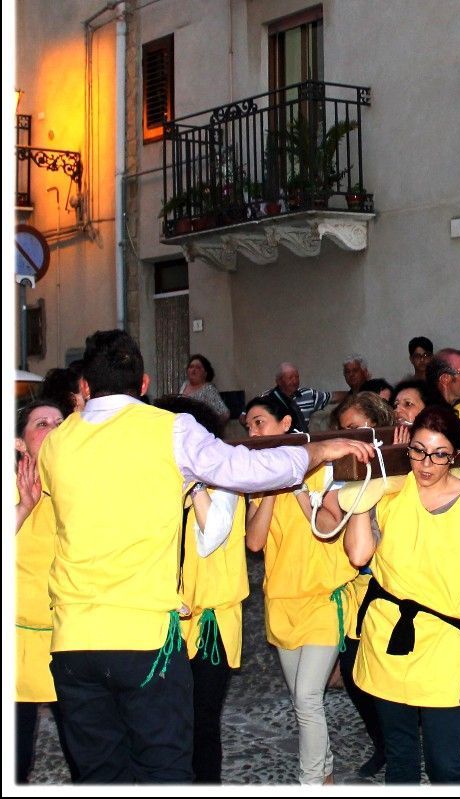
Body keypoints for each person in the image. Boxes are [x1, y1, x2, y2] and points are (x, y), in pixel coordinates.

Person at [38, 329, 374, 783]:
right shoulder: (168, 428)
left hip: (72, 641)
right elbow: (244, 469)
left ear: (84, 387)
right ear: (144, 384)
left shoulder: (58, 441)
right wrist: (317, 449)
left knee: (98, 775)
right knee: (166, 769)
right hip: (143, 639)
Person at [344, 405, 460, 785]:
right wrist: (373, 481)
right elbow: (359, 554)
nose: (426, 463)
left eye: (439, 454)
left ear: (454, 455)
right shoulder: (393, 494)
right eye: (417, 450)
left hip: (445, 646)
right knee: (400, 757)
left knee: (445, 762)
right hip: (388, 639)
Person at [243, 391, 360, 784]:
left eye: (259, 422)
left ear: (285, 425)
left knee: (309, 697)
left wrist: (298, 489)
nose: (252, 431)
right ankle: (324, 771)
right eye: (249, 425)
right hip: (282, 601)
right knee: (301, 700)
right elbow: (255, 543)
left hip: (322, 599)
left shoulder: (321, 468)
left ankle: (310, 782)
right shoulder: (257, 479)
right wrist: (274, 489)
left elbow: (329, 529)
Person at [153, 394, 244, 785]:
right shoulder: (157, 485)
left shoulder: (225, 478)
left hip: (211, 625)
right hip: (168, 621)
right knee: (170, 720)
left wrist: (193, 485)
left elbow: (212, 537)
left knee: (203, 718)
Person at [15, 397, 78, 784]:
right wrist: (23, 507)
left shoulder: (79, 488)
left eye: (60, 422)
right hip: (17, 644)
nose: (54, 429)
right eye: (42, 424)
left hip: (69, 641)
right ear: (20, 443)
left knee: (84, 753)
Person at [270, 361, 346, 432]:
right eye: (290, 378)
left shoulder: (307, 395)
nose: (295, 381)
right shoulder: (267, 399)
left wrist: (354, 394)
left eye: (297, 377)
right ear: (279, 381)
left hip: (302, 442)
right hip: (279, 443)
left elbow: (333, 397)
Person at [180, 353, 229, 426]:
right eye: (191, 367)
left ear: (205, 373)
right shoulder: (184, 385)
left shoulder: (209, 389)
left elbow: (225, 414)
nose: (193, 370)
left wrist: (213, 428)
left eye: (198, 368)